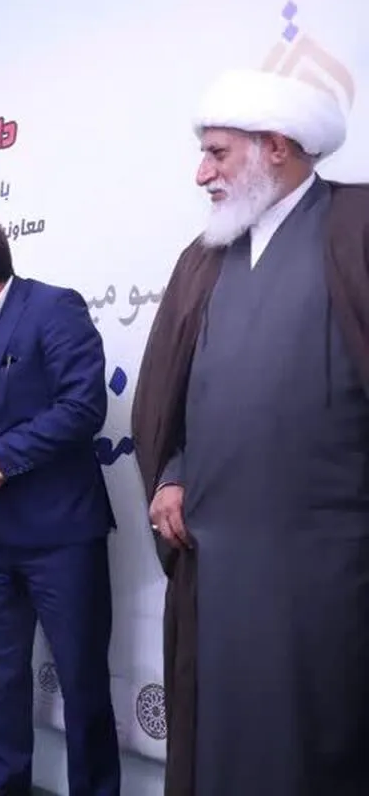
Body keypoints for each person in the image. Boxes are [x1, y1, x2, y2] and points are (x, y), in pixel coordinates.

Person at [131, 69, 369, 796]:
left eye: (218, 153)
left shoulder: (357, 225)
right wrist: (171, 474)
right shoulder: (203, 258)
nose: (201, 174)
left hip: (332, 560)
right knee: (221, 734)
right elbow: (171, 400)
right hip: (216, 555)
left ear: (276, 148)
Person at [0, 215, 120, 796]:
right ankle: (4, 782)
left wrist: (0, 457)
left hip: (63, 534)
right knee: (2, 672)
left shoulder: (54, 308)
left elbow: (82, 406)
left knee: (82, 679)